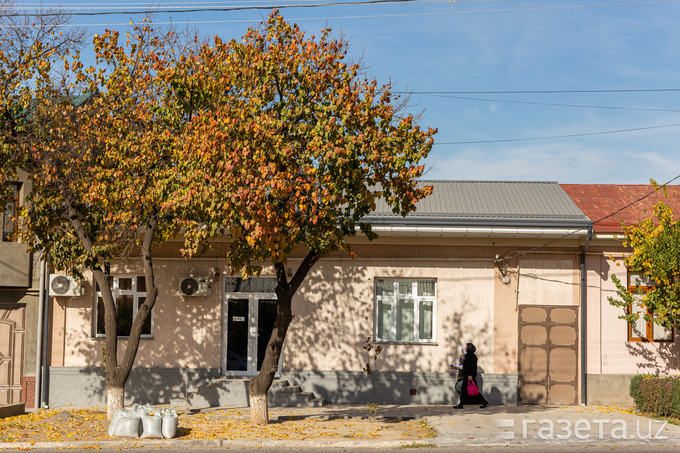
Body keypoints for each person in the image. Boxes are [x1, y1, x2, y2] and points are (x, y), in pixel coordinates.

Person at [453, 342, 489, 409]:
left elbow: (473, 367)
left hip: (469, 376)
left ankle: (484, 402)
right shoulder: (468, 356)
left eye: (466, 347)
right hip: (467, 375)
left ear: (470, 348)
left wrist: (471, 375)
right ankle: (462, 404)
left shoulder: (473, 357)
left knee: (472, 391)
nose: (465, 348)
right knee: (465, 391)